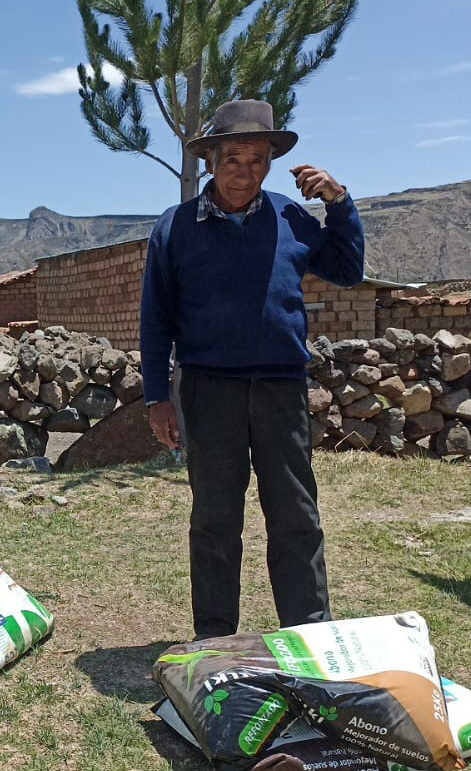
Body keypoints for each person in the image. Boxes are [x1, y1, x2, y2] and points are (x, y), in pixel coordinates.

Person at [139, 99, 364, 641]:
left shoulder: (290, 216)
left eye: (257, 158)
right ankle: (215, 636)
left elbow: (348, 270)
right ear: (212, 159)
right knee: (215, 517)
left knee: (294, 513)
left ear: (269, 163)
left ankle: (308, 632)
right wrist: (156, 397)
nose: (245, 169)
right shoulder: (176, 228)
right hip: (208, 389)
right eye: (233, 157)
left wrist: (339, 202)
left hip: (280, 389)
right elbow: (155, 317)